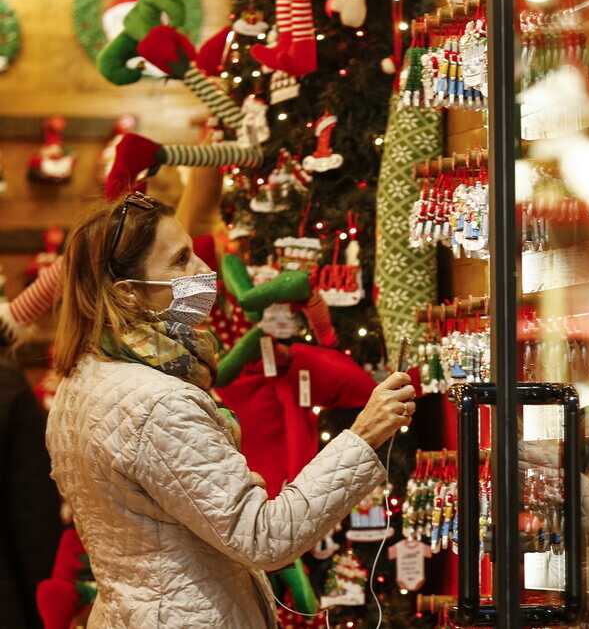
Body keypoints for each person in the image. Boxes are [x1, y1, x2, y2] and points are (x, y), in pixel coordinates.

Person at [44, 192, 415, 628]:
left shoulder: (81, 382)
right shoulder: (156, 401)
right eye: (181, 260)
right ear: (129, 294)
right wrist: (363, 435)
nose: (204, 271)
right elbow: (264, 536)